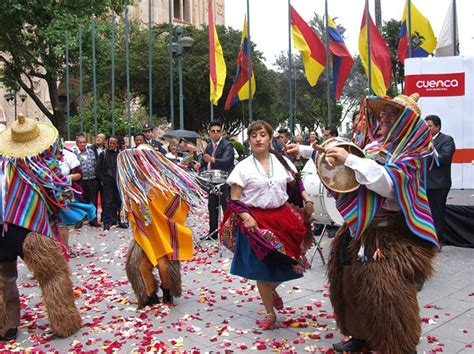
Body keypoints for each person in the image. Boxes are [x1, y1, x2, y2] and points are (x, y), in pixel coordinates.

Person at [287, 93, 440, 353]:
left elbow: (389, 186)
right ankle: (360, 337)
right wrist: (307, 150)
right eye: (382, 113)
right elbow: (342, 161)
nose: (383, 117)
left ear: (407, 122)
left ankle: (399, 344)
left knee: (388, 294)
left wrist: (351, 160)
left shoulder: (412, 153)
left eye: (392, 114)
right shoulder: (371, 145)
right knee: (349, 284)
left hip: (389, 233)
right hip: (358, 227)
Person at [220, 120, 314, 330]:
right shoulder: (242, 167)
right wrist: (246, 217)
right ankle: (270, 313)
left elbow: (297, 185)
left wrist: (307, 201)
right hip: (256, 221)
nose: (258, 139)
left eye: (262, 134)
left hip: (283, 218)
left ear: (271, 139)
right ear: (250, 141)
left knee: (292, 263)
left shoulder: (283, 162)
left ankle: (271, 290)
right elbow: (234, 199)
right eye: (253, 136)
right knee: (262, 270)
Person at [0, 114, 81, 341]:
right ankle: (63, 322)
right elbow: (63, 196)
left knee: (6, 279)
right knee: (53, 276)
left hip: (2, 230)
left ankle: (8, 327)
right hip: (32, 230)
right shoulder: (44, 166)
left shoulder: (0, 166)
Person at [116, 145, 206, 306]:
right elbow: (130, 208)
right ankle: (149, 296)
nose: (139, 163)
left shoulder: (161, 184)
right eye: (136, 159)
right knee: (142, 267)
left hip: (162, 234)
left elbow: (175, 203)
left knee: (164, 267)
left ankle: (167, 292)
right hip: (145, 236)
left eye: (142, 159)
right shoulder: (131, 184)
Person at [198, 121, 235, 239]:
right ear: (209, 133)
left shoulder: (227, 145)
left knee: (227, 209)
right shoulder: (209, 146)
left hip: (225, 183)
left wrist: (212, 159)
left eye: (218, 131)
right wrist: (199, 164)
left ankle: (230, 235)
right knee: (212, 208)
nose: (215, 133)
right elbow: (205, 160)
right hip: (212, 182)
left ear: (222, 132)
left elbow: (227, 161)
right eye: (213, 131)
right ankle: (212, 233)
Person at [425, 115, 456, 245]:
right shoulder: (422, 140)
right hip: (424, 182)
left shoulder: (447, 140)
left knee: (437, 212)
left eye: (430, 126)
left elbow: (445, 158)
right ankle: (427, 238)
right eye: (425, 126)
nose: (427, 129)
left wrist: (432, 150)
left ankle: (438, 240)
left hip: (439, 183)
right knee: (426, 212)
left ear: (438, 126)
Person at [96, 135, 127, 230]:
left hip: (118, 182)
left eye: (114, 143)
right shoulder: (103, 154)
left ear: (117, 144)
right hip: (107, 183)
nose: (112, 145)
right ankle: (106, 222)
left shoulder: (120, 155)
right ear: (108, 143)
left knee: (120, 202)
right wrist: (103, 180)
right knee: (107, 203)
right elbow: (98, 169)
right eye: (110, 143)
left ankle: (120, 220)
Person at [74, 134, 101, 227]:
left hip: (92, 180)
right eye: (80, 142)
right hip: (80, 181)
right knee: (80, 201)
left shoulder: (91, 152)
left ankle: (93, 220)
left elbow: (95, 165)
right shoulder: (74, 154)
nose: (82, 144)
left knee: (93, 201)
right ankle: (79, 221)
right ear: (77, 144)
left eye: (84, 142)